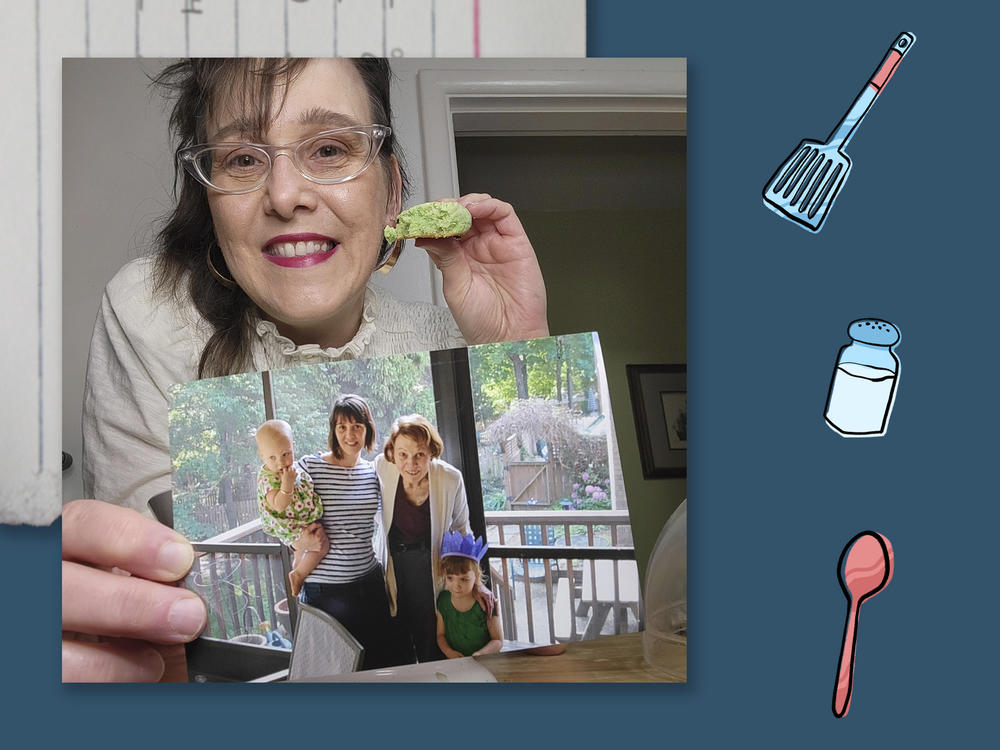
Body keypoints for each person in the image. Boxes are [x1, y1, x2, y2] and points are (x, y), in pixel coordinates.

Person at [63, 57, 547, 681]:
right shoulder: (150, 315)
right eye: (242, 158)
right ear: (208, 198)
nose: (286, 195)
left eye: (329, 149)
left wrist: (520, 346)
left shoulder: (447, 343)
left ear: (393, 189)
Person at [295, 394, 405, 669]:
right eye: (342, 426)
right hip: (326, 593)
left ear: (367, 429)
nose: (350, 434)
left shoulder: (372, 473)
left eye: (357, 426)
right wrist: (300, 542)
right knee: (334, 669)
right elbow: (278, 517)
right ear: (333, 430)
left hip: (369, 586)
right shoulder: (310, 467)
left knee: (376, 664)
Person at [374, 414, 492, 663]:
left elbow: (462, 530)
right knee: (397, 634)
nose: (411, 464)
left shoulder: (450, 478)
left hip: (431, 564)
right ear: (392, 452)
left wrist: (478, 583)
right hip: (394, 565)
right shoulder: (381, 468)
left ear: (431, 453)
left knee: (432, 635)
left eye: (420, 455)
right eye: (403, 454)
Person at [254, 419, 328, 597]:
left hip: (301, 520)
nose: (281, 462)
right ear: (261, 455)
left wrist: (321, 457)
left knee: (306, 549)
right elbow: (279, 506)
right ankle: (299, 574)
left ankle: (298, 564)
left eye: (286, 454)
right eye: (272, 457)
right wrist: (286, 485)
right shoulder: (268, 479)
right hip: (291, 526)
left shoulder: (293, 468)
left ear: (292, 447)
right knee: (323, 544)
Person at [435, 531, 503, 659]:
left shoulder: (486, 604)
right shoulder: (443, 600)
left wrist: (480, 654)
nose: (456, 585)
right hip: (455, 663)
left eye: (464, 579)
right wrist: (449, 652)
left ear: (476, 577)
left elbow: (498, 641)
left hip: (484, 661)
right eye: (450, 578)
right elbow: (440, 635)